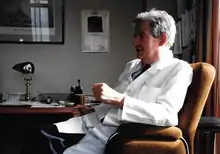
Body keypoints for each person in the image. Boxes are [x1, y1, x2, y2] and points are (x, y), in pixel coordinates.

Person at [21, 9, 193, 154]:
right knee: (36, 135)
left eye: (141, 36)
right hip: (88, 124)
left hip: (109, 135)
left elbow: (167, 115)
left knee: (42, 145)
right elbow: (112, 107)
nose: (134, 42)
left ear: (162, 39)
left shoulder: (179, 69)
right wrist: (92, 110)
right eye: (134, 36)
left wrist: (119, 99)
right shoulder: (132, 66)